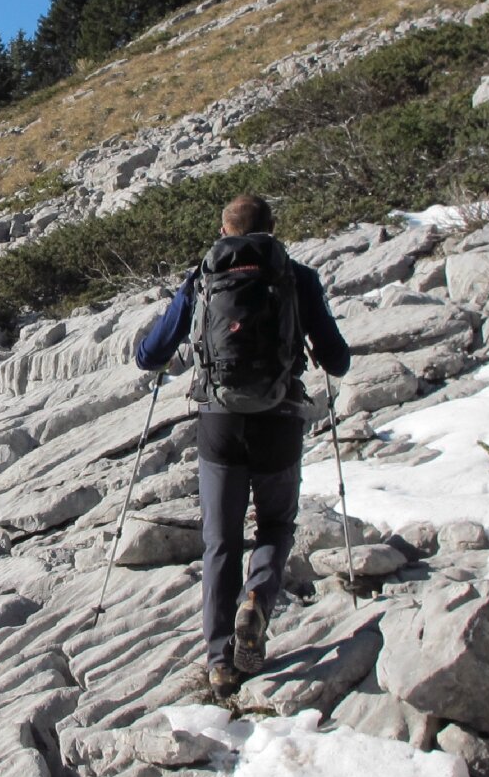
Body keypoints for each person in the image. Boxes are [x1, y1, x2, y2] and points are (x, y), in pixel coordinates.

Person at [133, 192, 351, 694]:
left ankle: (218, 660)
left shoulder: (202, 278)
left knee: (221, 541)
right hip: (279, 418)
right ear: (272, 229)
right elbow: (337, 361)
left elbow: (151, 354)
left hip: (219, 424)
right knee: (276, 523)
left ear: (223, 229)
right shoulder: (297, 277)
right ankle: (256, 601)